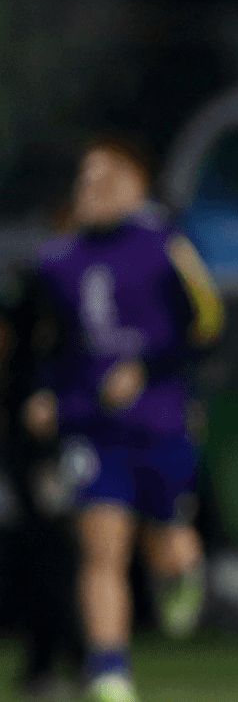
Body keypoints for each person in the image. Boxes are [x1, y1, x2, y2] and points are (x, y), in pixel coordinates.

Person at [32, 138, 224, 702]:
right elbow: (49, 343)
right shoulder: (58, 260)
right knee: (102, 547)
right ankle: (110, 669)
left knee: (167, 541)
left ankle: (179, 571)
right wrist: (47, 395)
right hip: (94, 427)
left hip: (161, 421)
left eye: (106, 181)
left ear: (135, 187)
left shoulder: (165, 245)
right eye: (85, 181)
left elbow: (209, 323)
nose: (91, 193)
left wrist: (148, 366)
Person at [2, 258, 86, 700]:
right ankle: (56, 659)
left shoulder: (54, 357)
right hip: (30, 451)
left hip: (50, 449)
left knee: (51, 548)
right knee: (43, 548)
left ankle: (61, 657)